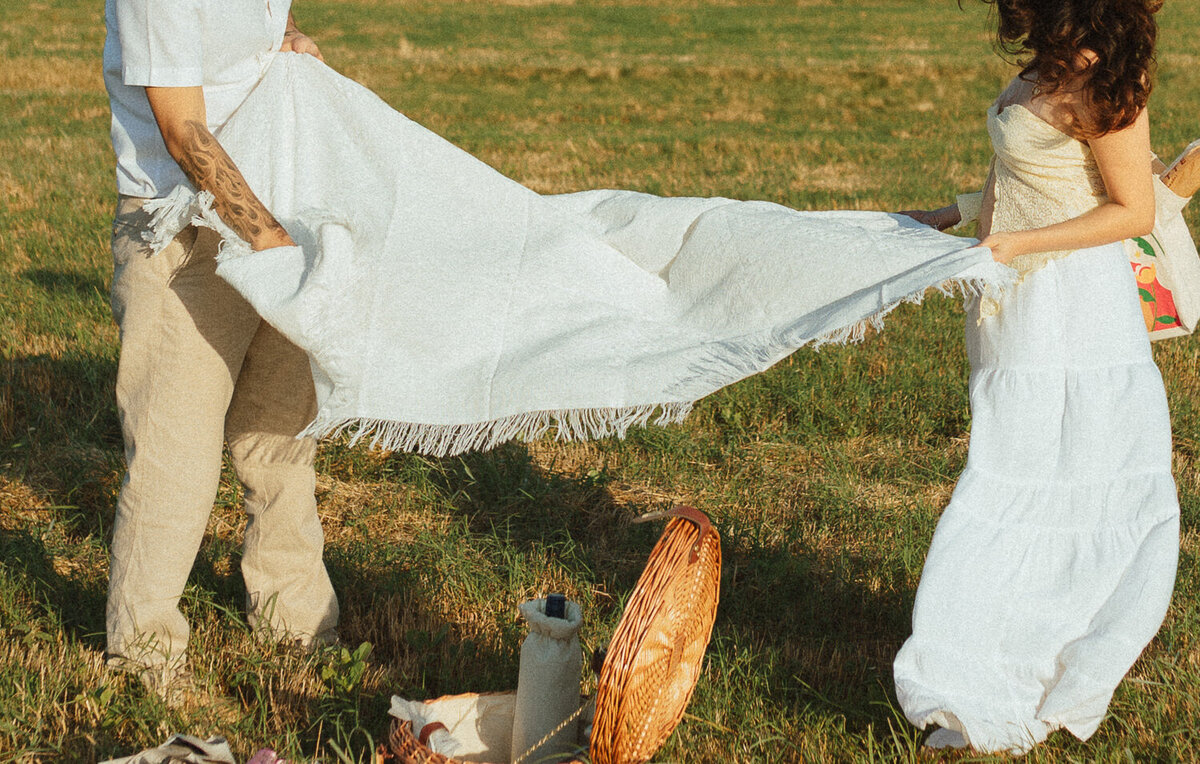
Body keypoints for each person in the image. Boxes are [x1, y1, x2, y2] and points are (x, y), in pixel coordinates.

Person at [892, 0, 1180, 753]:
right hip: (1016, 303)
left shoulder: (1102, 80)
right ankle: (980, 657)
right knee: (1012, 467)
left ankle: (1016, 670)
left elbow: (1131, 209)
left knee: (1035, 476)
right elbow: (1024, 171)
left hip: (1073, 306)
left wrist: (1018, 246)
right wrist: (952, 214)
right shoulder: (1042, 67)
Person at [102, 0, 338, 695]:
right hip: (184, 234)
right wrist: (268, 240)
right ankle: (145, 662)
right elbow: (183, 128)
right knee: (174, 455)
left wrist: (289, 43)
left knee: (282, 439)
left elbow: (243, 47)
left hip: (277, 209)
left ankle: (298, 624)